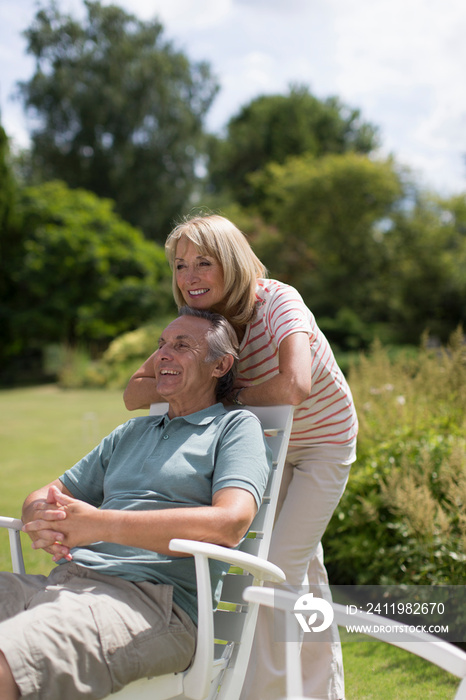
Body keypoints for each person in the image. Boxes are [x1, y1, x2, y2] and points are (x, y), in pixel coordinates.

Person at [124, 214, 359, 700]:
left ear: (231, 263)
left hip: (321, 446)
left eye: (203, 263)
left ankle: (263, 694)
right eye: (180, 265)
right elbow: (135, 393)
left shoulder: (279, 301)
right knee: (299, 575)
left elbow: (295, 385)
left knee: (272, 576)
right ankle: (322, 693)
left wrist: (220, 394)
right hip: (271, 449)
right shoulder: (205, 325)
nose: (188, 277)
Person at [0, 307, 272, 700]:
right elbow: (46, 494)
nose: (163, 354)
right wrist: (41, 515)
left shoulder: (234, 428)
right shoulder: (133, 431)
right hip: (67, 585)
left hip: (153, 607)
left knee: (9, 659)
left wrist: (101, 525)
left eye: (181, 346)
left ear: (221, 365)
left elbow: (230, 523)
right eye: (161, 345)